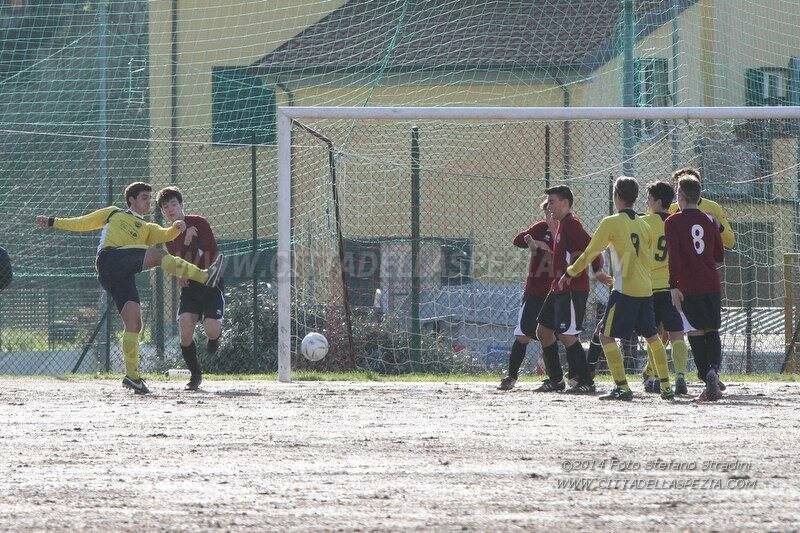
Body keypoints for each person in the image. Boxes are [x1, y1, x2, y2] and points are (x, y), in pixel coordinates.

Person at [35, 182, 224, 394]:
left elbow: (166, 234)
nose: (148, 202)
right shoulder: (114, 213)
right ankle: (205, 276)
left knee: (134, 323)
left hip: (121, 276)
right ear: (131, 200)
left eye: (150, 199)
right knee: (158, 256)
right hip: (109, 259)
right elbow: (84, 222)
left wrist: (176, 228)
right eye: (144, 197)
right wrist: (53, 221)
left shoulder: (148, 228)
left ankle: (133, 377)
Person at [560, 176, 674, 401]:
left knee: (605, 337)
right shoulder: (644, 223)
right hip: (646, 289)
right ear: (635, 198)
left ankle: (622, 387)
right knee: (652, 337)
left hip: (624, 291)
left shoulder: (611, 222)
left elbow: (590, 253)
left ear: (616, 196)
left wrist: (570, 272)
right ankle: (666, 387)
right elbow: (649, 259)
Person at [535, 185, 603, 394]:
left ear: (565, 203)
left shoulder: (572, 224)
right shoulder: (561, 225)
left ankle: (585, 381)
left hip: (573, 288)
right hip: (559, 288)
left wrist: (597, 271)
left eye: (553, 201)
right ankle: (556, 379)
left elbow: (593, 249)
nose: (550, 206)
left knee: (567, 334)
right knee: (543, 331)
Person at [158, 186, 224, 391]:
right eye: (165, 206)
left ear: (182, 206)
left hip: (210, 282)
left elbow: (210, 252)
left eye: (174, 204)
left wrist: (190, 243)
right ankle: (195, 375)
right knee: (185, 330)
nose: (170, 209)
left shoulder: (200, 222)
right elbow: (177, 261)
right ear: (162, 212)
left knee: (211, 330)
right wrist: (180, 274)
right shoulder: (168, 235)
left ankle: (214, 338)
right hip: (190, 287)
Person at [665, 175, 725, 401]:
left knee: (695, 331)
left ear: (680, 195)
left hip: (689, 285)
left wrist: (673, 286)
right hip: (711, 282)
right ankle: (713, 372)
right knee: (712, 330)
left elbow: (675, 259)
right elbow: (719, 255)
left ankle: (704, 374)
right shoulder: (709, 219)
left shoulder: (672, 222)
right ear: (699, 197)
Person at [498, 199, 556, 390]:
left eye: (553, 209)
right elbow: (518, 240)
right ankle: (512, 377)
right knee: (523, 333)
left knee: (560, 335)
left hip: (556, 290)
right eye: (548, 210)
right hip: (534, 290)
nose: (551, 213)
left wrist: (548, 248)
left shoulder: (567, 228)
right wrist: (534, 241)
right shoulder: (541, 227)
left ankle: (565, 376)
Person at [639, 181, 691, 395]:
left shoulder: (643, 223)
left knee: (655, 335)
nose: (646, 202)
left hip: (648, 287)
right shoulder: (676, 222)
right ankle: (680, 375)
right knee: (677, 332)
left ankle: (655, 377)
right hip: (671, 287)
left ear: (658, 201)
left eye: (649, 198)